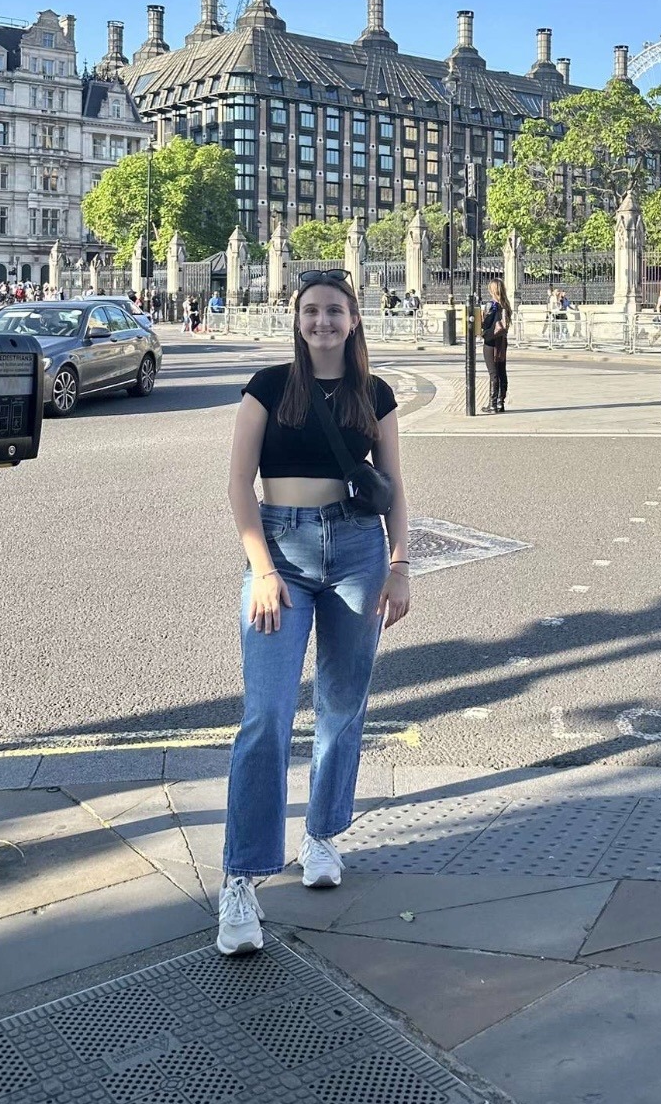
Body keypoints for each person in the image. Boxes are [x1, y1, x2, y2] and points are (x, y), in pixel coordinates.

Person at [217, 268, 410, 957]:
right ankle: (241, 878)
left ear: (354, 320)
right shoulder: (269, 387)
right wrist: (263, 568)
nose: (323, 322)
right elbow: (239, 484)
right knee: (265, 714)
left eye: (334, 311)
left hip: (358, 550)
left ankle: (321, 834)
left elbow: (394, 490)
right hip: (283, 550)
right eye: (311, 311)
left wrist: (400, 565)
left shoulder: (375, 393)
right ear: (296, 319)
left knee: (342, 703)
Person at [480, 278, 512, 413]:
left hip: (491, 341)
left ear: (492, 290)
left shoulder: (491, 305)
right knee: (501, 371)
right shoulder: (506, 305)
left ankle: (492, 404)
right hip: (502, 341)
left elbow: (484, 324)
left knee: (493, 373)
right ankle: (500, 402)